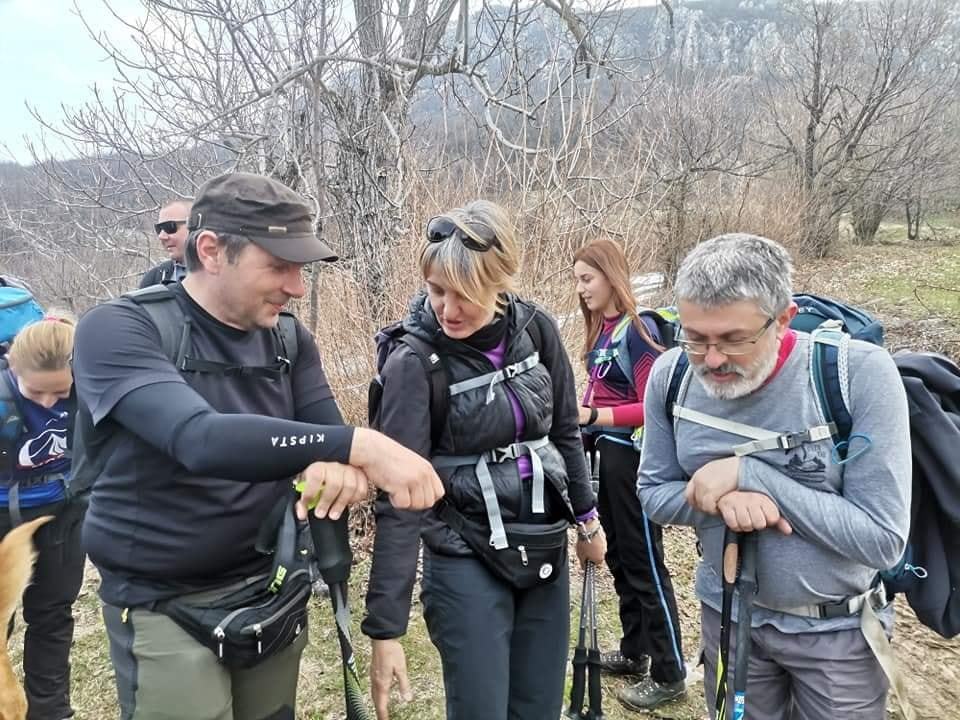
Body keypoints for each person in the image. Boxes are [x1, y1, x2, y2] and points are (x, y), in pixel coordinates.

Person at [72, 172, 444, 720]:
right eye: (278, 266)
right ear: (211, 250)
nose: (298, 287)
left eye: (301, 269)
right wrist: (361, 445)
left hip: (272, 589)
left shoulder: (289, 339)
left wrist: (342, 462)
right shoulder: (119, 330)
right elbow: (198, 438)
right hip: (163, 604)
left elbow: (327, 448)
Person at [637, 233, 911, 718]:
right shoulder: (671, 375)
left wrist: (754, 477)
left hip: (838, 634)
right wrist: (720, 498)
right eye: (695, 337)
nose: (712, 359)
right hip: (728, 618)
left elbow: (882, 539)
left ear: (783, 319)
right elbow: (653, 492)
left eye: (734, 339)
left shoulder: (858, 375)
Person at [362, 201, 607, 720]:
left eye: (464, 293)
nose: (447, 309)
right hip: (464, 550)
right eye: (436, 290)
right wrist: (386, 629)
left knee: (539, 708)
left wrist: (587, 522)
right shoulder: (414, 363)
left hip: (542, 539)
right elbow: (399, 496)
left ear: (499, 282)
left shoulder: (536, 329)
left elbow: (565, 431)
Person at [573, 239, 686, 711]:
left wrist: (594, 417)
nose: (581, 289)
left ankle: (670, 671)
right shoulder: (603, 330)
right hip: (606, 461)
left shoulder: (639, 331)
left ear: (611, 275)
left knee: (644, 563)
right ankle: (635, 650)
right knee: (618, 556)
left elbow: (651, 406)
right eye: (577, 280)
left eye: (588, 279)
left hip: (633, 462)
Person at [0, 314, 85, 720]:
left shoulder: (89, 388)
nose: (49, 403)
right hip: (3, 516)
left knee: (52, 616)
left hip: (61, 513)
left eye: (61, 393)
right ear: (12, 369)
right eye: (36, 392)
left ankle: (51, 713)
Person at [140, 199, 192, 287]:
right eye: (159, 229)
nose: (161, 236)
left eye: (169, 227)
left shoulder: (217, 277)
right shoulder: (154, 279)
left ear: (194, 226)